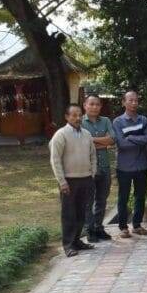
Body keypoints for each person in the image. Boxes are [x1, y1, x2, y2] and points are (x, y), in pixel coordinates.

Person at [50, 104, 97, 257]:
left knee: (81, 213)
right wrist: (62, 182)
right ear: (67, 117)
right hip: (69, 181)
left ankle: (77, 241)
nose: (77, 118)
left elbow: (93, 155)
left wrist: (92, 173)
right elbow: (55, 160)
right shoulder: (61, 135)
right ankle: (68, 245)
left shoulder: (87, 134)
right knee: (68, 214)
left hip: (85, 178)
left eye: (79, 115)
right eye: (74, 115)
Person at [112, 91, 147, 238]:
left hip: (141, 166)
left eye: (136, 100)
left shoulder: (144, 120)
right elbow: (121, 143)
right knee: (123, 197)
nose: (134, 103)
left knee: (140, 196)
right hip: (124, 167)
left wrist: (130, 136)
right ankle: (123, 227)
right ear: (123, 102)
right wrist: (138, 138)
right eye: (130, 100)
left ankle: (137, 225)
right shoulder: (117, 122)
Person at [81, 94, 114, 243]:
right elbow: (82, 144)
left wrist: (92, 140)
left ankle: (99, 227)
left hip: (105, 166)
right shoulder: (80, 122)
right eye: (91, 104)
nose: (94, 107)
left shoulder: (106, 121)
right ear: (85, 105)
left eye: (97, 104)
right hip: (89, 168)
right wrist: (103, 142)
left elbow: (113, 139)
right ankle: (90, 230)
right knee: (89, 200)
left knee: (102, 199)